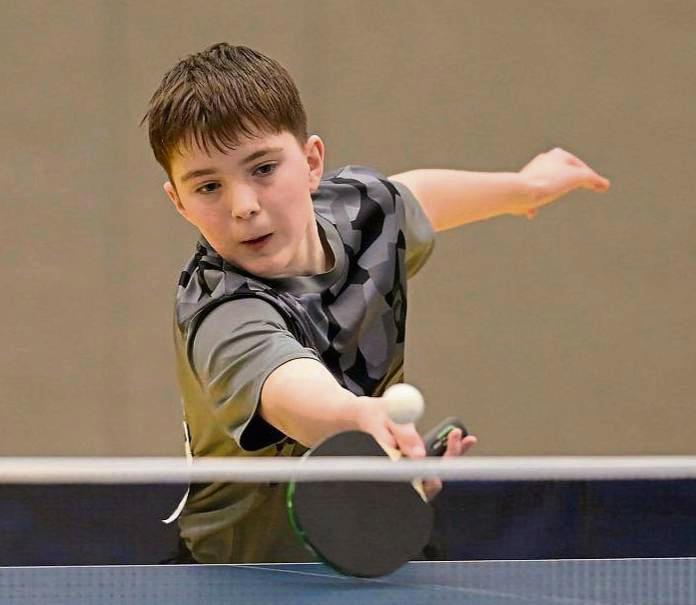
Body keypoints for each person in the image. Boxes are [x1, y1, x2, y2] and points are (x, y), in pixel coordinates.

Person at [142, 43, 610, 565]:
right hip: (246, 574)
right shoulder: (224, 312)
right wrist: (361, 422)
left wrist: (523, 188)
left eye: (264, 169)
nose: (244, 205)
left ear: (312, 162)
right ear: (178, 202)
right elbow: (292, 389)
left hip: (371, 538)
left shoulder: (360, 215)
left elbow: (412, 197)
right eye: (208, 186)